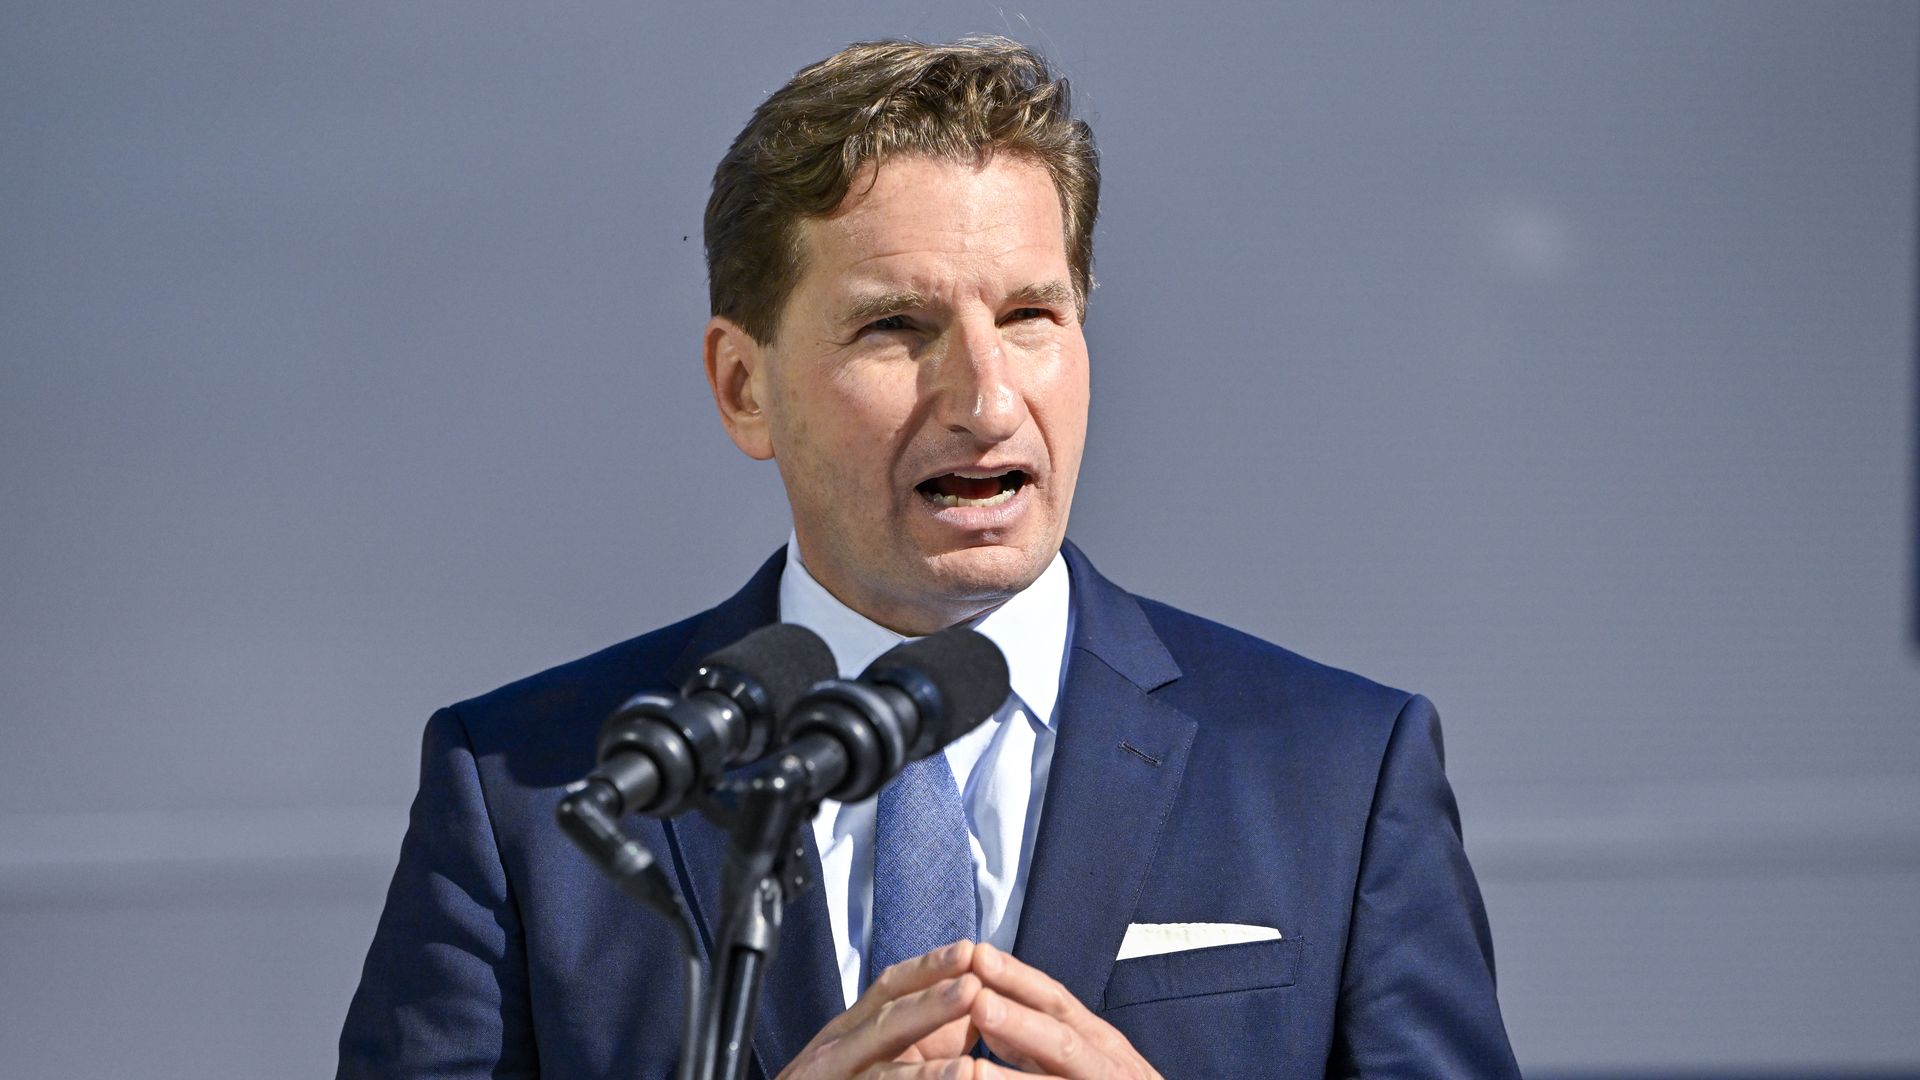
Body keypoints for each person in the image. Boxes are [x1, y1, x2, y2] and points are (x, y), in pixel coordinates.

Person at [339, 37, 1520, 1079]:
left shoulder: (1339, 772)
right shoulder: (533, 793)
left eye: (1030, 316)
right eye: (898, 327)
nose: (988, 399)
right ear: (743, 387)